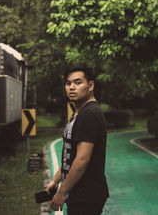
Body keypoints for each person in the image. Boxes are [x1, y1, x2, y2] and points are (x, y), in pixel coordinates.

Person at [46, 63, 109, 215]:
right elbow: (72, 155)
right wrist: (56, 180)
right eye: (68, 83)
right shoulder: (80, 113)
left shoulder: (89, 115)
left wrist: (62, 192)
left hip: (87, 195)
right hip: (80, 193)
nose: (72, 87)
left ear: (90, 85)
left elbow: (82, 159)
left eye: (78, 82)